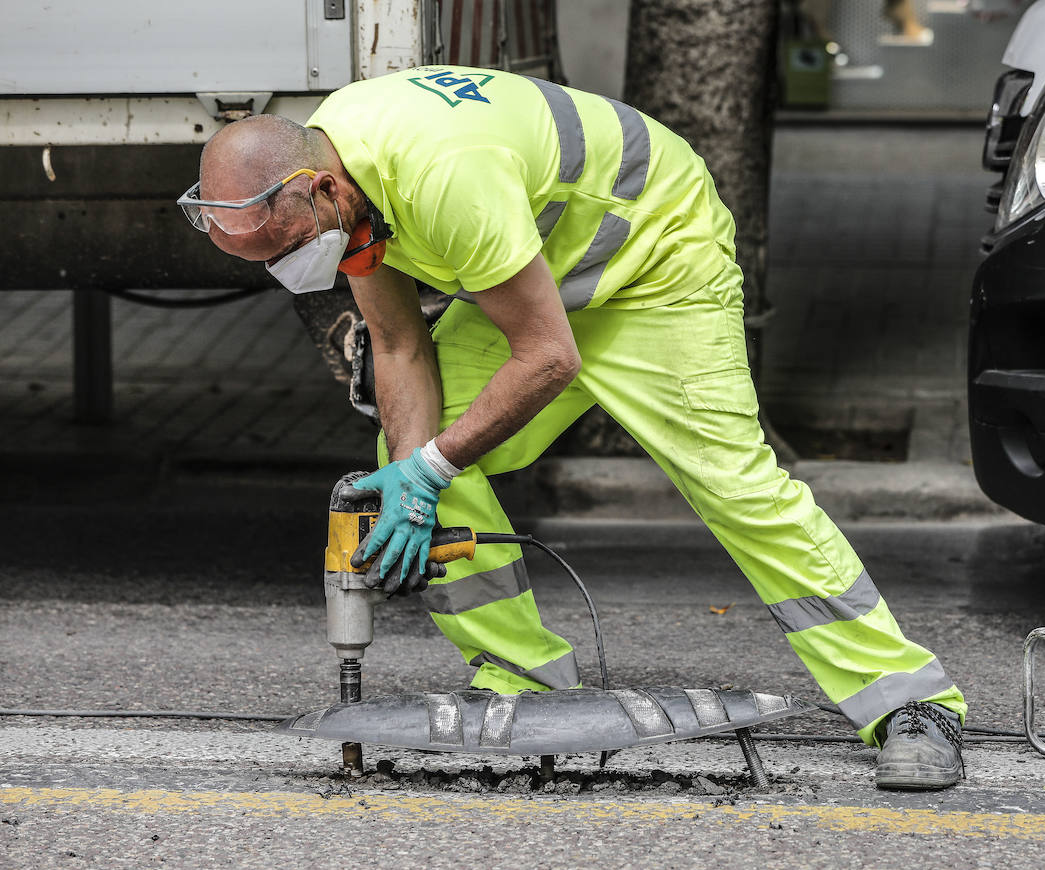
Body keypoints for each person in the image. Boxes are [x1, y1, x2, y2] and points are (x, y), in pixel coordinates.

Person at [178, 66, 967, 789]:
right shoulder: (340, 192)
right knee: (410, 447)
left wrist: (433, 470)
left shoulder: (441, 171)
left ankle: (910, 702)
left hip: (657, 261)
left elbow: (548, 356)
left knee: (736, 486)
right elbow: (397, 343)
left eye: (290, 246)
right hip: (541, 276)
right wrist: (415, 473)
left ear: (319, 186)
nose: (288, 269)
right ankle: (520, 672)